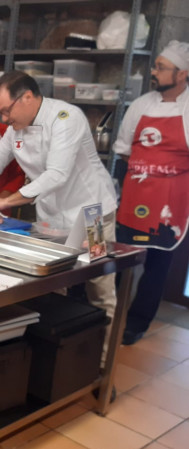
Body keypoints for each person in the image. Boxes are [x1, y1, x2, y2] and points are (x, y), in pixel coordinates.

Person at [0, 71, 118, 317]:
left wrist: (4, 201)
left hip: (90, 214)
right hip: (51, 214)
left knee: (99, 287)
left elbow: (57, 174)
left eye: (5, 111)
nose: (2, 119)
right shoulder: (16, 127)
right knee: (51, 282)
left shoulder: (65, 118)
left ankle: (101, 353)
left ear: (27, 97)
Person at [113, 40, 189, 345]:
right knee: (119, 259)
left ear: (183, 74)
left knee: (157, 264)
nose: (153, 72)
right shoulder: (141, 104)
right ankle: (109, 314)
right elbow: (122, 151)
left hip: (170, 203)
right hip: (134, 195)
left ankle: (136, 322)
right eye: (155, 65)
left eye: (161, 67)